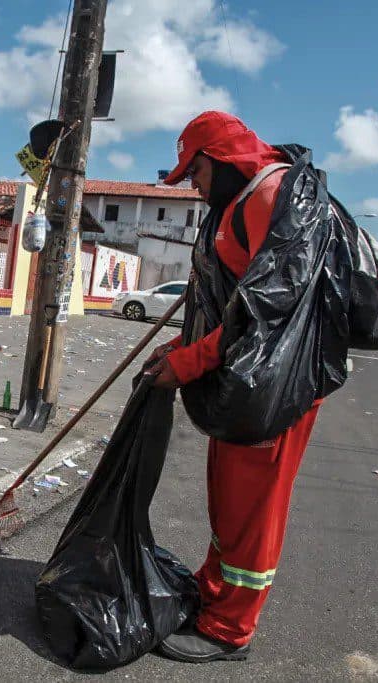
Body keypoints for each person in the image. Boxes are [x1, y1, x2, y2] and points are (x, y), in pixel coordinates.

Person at [144, 111, 322, 663]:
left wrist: (193, 360)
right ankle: (214, 591)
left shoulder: (273, 197)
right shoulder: (238, 202)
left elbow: (266, 311)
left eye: (193, 172)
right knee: (228, 498)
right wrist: (181, 348)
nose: (193, 187)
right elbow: (222, 299)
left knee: (254, 507)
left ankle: (230, 630)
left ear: (219, 160)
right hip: (245, 380)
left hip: (276, 386)